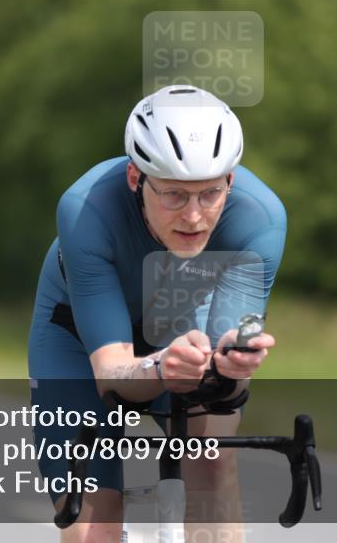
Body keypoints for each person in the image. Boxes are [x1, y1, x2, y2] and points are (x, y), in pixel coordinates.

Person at [27, 85, 287, 543]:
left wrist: (231, 365)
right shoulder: (85, 209)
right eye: (173, 195)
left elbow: (228, 358)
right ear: (135, 178)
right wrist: (161, 366)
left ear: (231, 180)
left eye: (209, 194)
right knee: (93, 524)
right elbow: (111, 372)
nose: (193, 216)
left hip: (184, 328)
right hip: (78, 338)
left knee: (211, 460)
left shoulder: (259, 220)